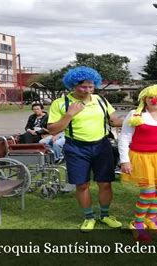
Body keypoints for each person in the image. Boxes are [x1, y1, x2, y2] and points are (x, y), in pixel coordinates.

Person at [47, 66, 123, 232]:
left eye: (91, 86)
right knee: (82, 185)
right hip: (76, 147)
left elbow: (114, 121)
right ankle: (88, 217)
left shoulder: (101, 100)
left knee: (105, 183)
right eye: (83, 86)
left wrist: (138, 118)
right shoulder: (60, 103)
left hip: (102, 145)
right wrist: (69, 115)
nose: (87, 90)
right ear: (73, 85)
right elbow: (52, 130)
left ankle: (105, 215)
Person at [118, 84, 157, 241]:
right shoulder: (135, 115)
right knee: (147, 193)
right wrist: (124, 160)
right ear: (144, 99)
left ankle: (151, 219)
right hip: (142, 158)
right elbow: (124, 137)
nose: (154, 100)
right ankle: (137, 223)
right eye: (150, 97)